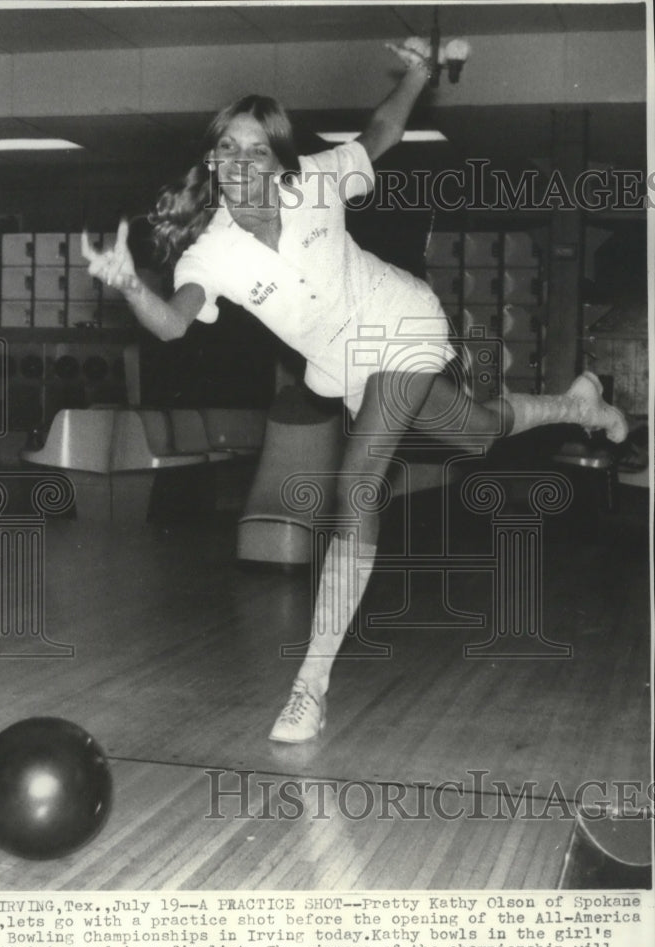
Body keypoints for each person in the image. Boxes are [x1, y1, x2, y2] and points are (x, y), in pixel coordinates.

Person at [82, 42, 627, 744]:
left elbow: (381, 135)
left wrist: (420, 75)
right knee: (477, 432)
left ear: (276, 163)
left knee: (358, 483)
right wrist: (131, 286)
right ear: (214, 162)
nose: (240, 161)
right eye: (227, 148)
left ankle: (309, 688)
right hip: (344, 369)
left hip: (399, 322)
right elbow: (173, 325)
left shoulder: (314, 180)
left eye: (255, 149)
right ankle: (577, 404)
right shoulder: (208, 252)